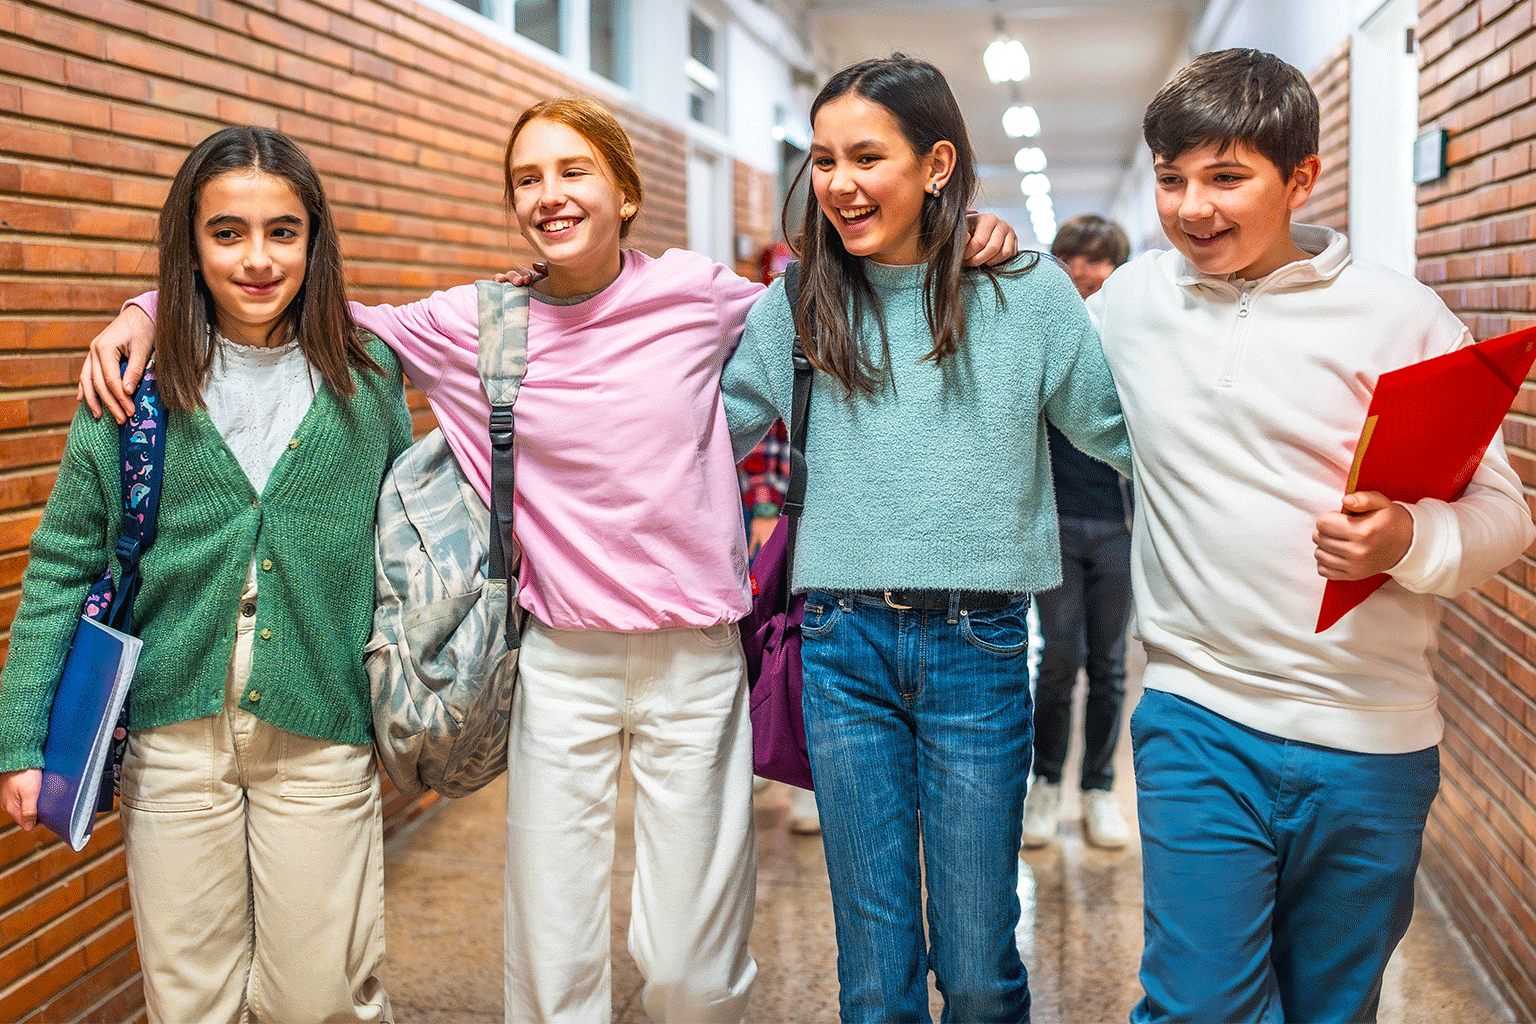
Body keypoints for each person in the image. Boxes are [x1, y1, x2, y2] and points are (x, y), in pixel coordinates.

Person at [79, 99, 1018, 1024]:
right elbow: (306, 305)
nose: (549, 195)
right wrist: (147, 308)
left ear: (625, 192)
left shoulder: (701, 295)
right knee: (553, 961)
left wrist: (958, 232)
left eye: (573, 172)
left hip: (696, 661)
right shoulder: (478, 324)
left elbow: (845, 288)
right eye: (528, 178)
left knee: (694, 970)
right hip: (559, 662)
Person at [1090, 48, 1536, 1023]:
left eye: (1226, 177)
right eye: (1172, 180)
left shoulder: (1399, 316)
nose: (1192, 208)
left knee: (1333, 1008)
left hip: (1370, 739)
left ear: (1299, 178)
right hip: (1197, 712)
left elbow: (1505, 516)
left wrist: (1406, 538)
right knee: (1197, 1005)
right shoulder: (1130, 306)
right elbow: (1023, 355)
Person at [722, 54, 1130, 1023]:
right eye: (822, 160)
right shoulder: (797, 305)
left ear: (936, 163)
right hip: (841, 649)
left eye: (868, 156)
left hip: (979, 649)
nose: (840, 183)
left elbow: (1122, 434)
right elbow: (696, 435)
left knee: (982, 969)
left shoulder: (1025, 295)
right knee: (873, 975)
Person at [0, 126, 410, 1023]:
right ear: (189, 241)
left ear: (315, 239)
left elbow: (404, 552)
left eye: (282, 231)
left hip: (321, 723)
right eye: (227, 232)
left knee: (322, 998)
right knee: (191, 1001)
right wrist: (21, 740)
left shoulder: (368, 375)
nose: (257, 259)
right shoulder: (133, 381)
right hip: (171, 732)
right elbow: (63, 564)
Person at [1021, 213, 1134, 850]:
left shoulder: (1130, 339)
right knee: (1059, 658)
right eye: (1070, 258)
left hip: (1117, 526)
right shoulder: (1042, 330)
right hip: (1054, 523)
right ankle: (1045, 785)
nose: (1081, 272)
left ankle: (1098, 789)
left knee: (1110, 665)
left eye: (1094, 260)